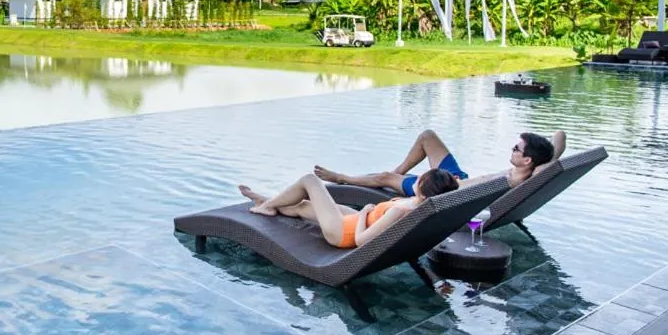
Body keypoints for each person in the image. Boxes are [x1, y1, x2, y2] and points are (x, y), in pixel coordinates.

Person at [238, 169, 460, 249]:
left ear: (423, 189)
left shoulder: (401, 211)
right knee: (303, 206)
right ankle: (265, 201)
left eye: (420, 179)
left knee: (310, 181)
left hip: (344, 233)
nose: (416, 178)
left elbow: (361, 240)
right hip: (353, 221)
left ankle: (266, 205)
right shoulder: (421, 206)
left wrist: (363, 212)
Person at [312, 129, 565, 196]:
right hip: (460, 179)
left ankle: (341, 177)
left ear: (527, 159)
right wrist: (548, 152)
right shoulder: (536, 167)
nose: (512, 150)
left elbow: (465, 192)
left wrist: (448, 182)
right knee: (428, 137)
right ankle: (398, 173)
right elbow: (560, 138)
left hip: (448, 190)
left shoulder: (514, 178)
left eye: (516, 149)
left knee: (382, 179)